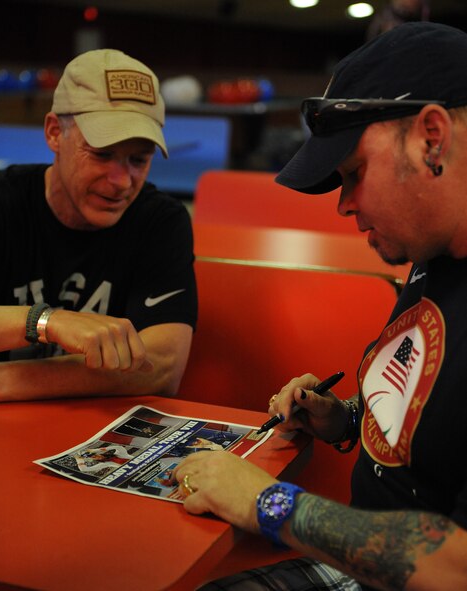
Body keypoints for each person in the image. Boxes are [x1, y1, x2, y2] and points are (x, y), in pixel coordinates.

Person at [172, 22, 467, 591]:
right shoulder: (435, 251)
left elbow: (456, 566)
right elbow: (440, 416)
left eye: (354, 173)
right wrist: (344, 416)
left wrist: (268, 503)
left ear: (432, 137)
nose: (344, 205)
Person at [0, 49, 197, 402]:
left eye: (138, 159)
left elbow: (164, 365)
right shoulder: (1, 201)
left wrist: (2, 381)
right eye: (102, 154)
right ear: (55, 132)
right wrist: (46, 322)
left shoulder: (160, 221)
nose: (121, 180)